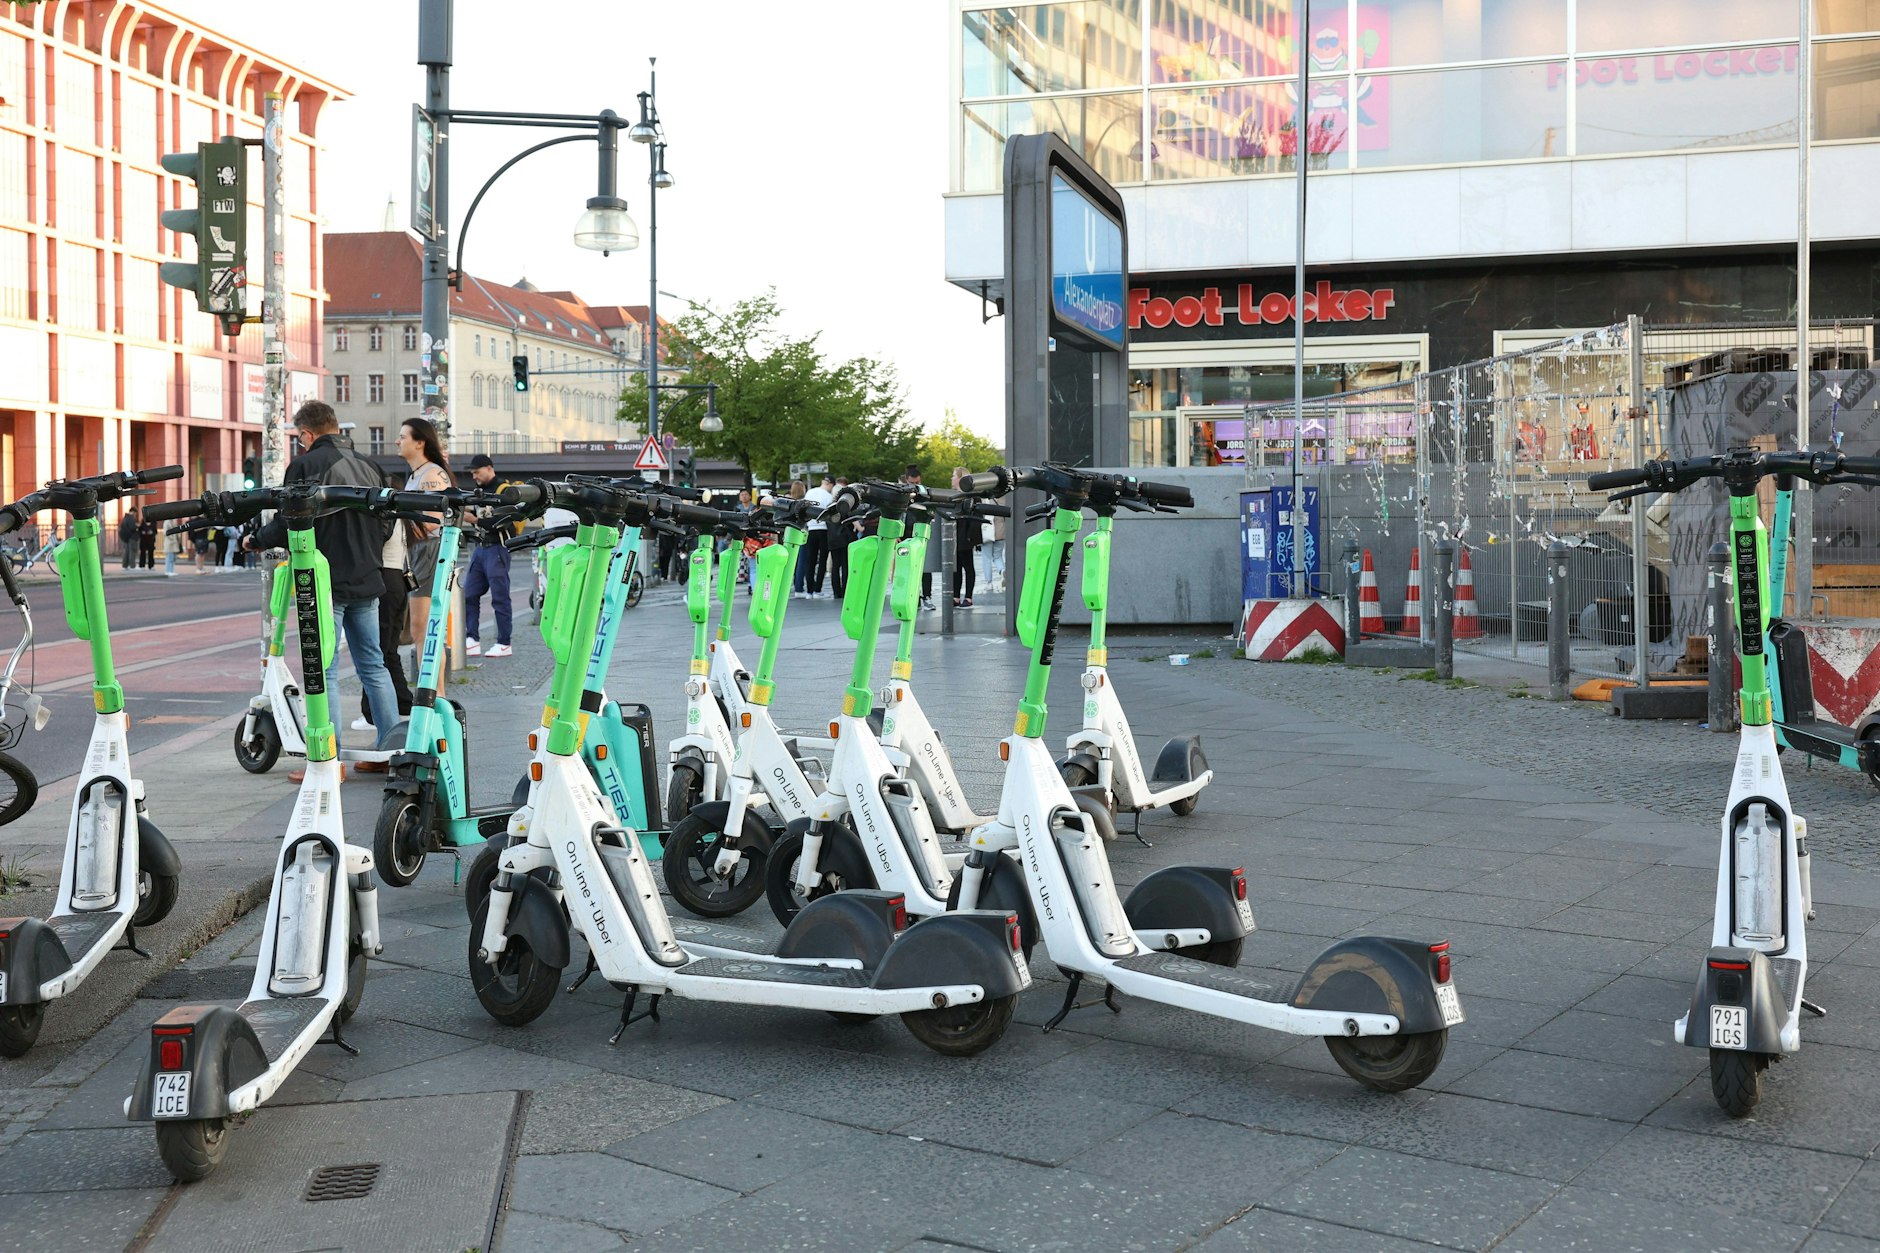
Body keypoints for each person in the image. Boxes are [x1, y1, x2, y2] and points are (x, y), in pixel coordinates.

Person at [246, 399, 401, 781]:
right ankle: (389, 752)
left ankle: (327, 761)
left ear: (306, 434)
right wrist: (366, 551)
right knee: (374, 665)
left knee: (325, 669)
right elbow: (387, 520)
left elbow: (287, 521)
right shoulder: (371, 465)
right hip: (368, 576)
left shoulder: (304, 466)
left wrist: (256, 540)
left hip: (324, 578)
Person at [396, 419, 452, 667]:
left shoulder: (431, 475)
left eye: (403, 437)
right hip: (417, 552)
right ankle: (430, 694)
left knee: (424, 631)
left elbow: (432, 521)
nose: (398, 441)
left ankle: (433, 695)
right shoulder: (418, 474)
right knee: (422, 630)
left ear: (420, 442)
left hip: (427, 551)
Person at [462, 454, 518, 658]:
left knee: (500, 597)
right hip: (481, 548)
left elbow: (503, 522)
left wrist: (474, 520)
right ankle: (471, 638)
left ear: (489, 468)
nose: (474, 476)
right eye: (472, 473)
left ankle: (504, 642)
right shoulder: (480, 492)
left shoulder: (503, 490)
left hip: (498, 548)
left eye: (477, 472)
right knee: (469, 594)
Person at [902, 464, 937, 610]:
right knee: (908, 567)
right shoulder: (902, 493)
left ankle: (926, 596)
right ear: (907, 480)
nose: (916, 486)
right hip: (907, 533)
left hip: (921, 530)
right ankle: (913, 598)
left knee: (924, 567)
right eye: (913, 483)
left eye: (918, 482)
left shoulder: (924, 492)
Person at [951, 466, 985, 608]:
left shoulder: (973, 497)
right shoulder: (954, 496)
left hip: (965, 536)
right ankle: (956, 596)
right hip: (955, 535)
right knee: (956, 567)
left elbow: (976, 518)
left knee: (968, 566)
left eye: (954, 476)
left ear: (960, 478)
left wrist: (971, 538)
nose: (952, 479)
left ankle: (969, 597)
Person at [802, 474, 835, 598]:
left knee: (810, 560)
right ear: (830, 484)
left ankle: (809, 591)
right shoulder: (828, 496)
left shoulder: (810, 492)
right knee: (822, 560)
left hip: (811, 529)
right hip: (823, 529)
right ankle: (818, 590)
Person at [827, 476, 854, 600]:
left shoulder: (828, 507)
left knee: (835, 566)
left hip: (832, 539)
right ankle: (845, 589)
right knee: (845, 565)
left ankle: (836, 591)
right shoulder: (844, 507)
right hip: (844, 538)